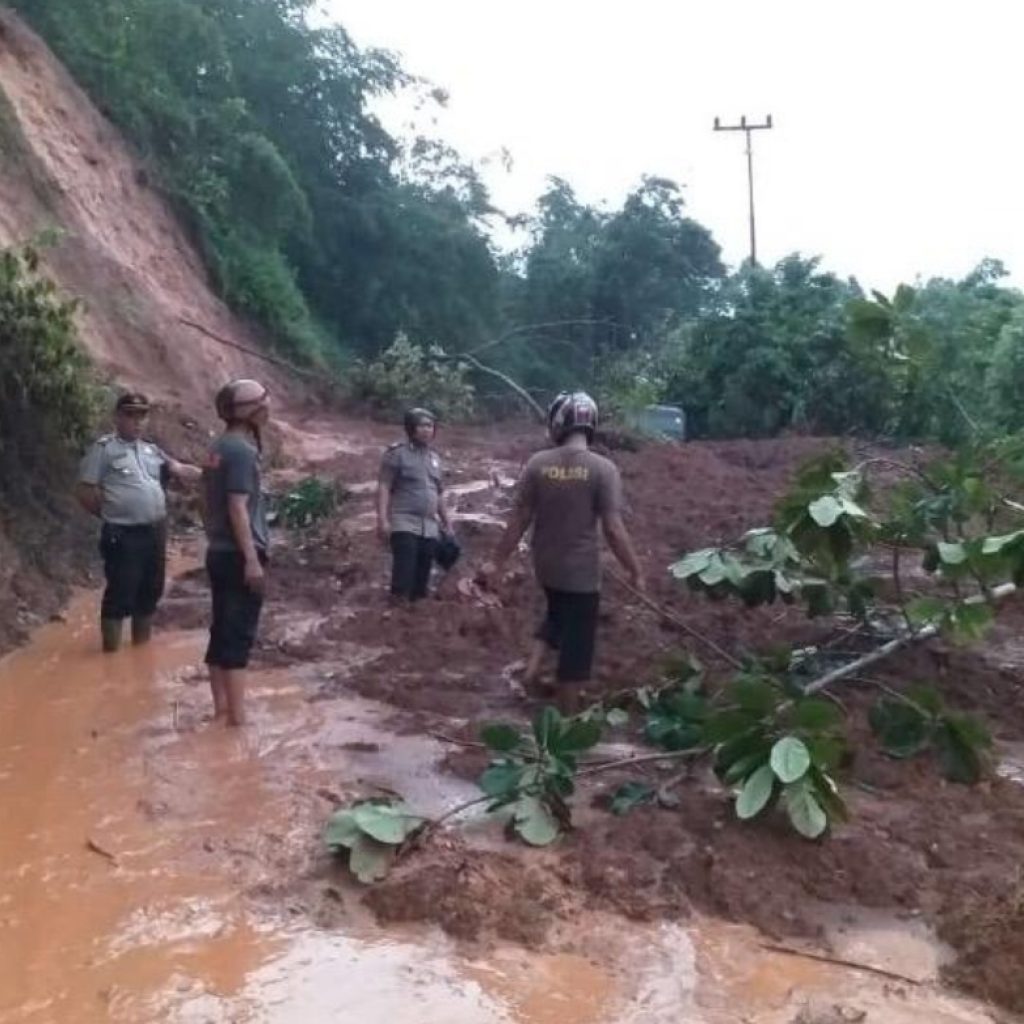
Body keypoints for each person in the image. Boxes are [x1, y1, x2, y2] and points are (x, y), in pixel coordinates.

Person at [487, 391, 644, 713]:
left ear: (558, 422)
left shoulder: (537, 464)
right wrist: (635, 570)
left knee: (557, 614)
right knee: (576, 652)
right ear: (591, 423)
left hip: (545, 565)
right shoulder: (604, 470)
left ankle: (531, 673)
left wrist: (496, 562)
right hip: (582, 574)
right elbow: (613, 529)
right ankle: (567, 722)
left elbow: (518, 519)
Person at [77, 392, 201, 652]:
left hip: (155, 531)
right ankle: (110, 655)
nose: (137, 421)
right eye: (130, 415)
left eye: (142, 415)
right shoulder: (104, 450)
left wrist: (214, 472)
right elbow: (86, 492)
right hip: (123, 534)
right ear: (117, 417)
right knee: (121, 590)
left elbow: (180, 470)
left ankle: (140, 649)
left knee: (150, 590)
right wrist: (112, 515)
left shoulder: (152, 451)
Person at [202, 378, 271, 727]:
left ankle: (221, 711)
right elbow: (237, 507)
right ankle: (238, 722)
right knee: (238, 636)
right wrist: (252, 559)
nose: (267, 407)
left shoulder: (218, 446)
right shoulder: (242, 451)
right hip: (237, 553)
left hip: (218, 551)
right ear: (249, 412)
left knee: (221, 630)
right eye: (262, 401)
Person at [376, 407, 454, 603]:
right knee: (404, 571)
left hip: (429, 526)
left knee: (422, 578)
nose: (427, 430)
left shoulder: (435, 458)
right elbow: (384, 486)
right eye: (422, 425)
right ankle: (396, 611)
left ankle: (415, 619)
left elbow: (439, 493)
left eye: (430, 426)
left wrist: (448, 523)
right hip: (404, 522)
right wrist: (382, 520)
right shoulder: (397, 454)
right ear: (411, 428)